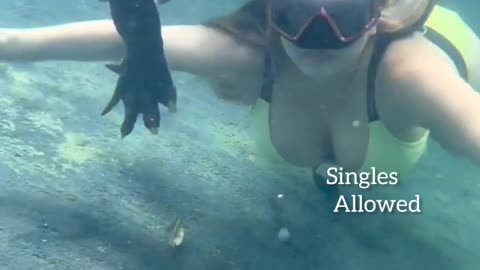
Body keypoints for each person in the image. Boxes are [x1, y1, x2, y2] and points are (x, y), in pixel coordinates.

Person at [1, 0, 480, 190]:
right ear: (271, 9)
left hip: (452, 45)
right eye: (296, 8)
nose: (318, 32)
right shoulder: (249, 57)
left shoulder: (411, 79)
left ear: (379, 12)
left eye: (344, 10)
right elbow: (102, 37)